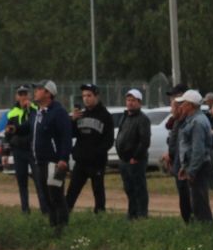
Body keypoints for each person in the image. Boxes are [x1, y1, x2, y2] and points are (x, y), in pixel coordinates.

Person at [30, 80, 74, 229]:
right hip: (40, 162)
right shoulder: (39, 112)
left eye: (39, 89)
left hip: (54, 163)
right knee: (47, 198)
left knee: (56, 196)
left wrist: (63, 159)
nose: (35, 92)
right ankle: (53, 226)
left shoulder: (58, 112)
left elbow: (65, 137)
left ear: (48, 93)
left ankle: (62, 228)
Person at [65, 84, 113, 215]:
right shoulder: (81, 114)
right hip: (81, 161)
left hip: (96, 162)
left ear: (96, 96)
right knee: (72, 191)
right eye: (84, 96)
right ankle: (63, 217)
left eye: (89, 95)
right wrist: (72, 121)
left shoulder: (105, 116)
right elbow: (71, 134)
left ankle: (100, 216)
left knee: (98, 191)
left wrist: (96, 153)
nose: (86, 99)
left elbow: (108, 140)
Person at [168, 89, 213, 224]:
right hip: (193, 166)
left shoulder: (197, 122)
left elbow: (198, 150)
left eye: (183, 103)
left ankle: (205, 230)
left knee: (200, 203)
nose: (180, 106)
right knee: (196, 201)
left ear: (191, 105)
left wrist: (192, 171)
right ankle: (202, 228)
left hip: (199, 167)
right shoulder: (192, 120)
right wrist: (184, 167)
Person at [114, 88, 152, 219]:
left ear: (139, 102)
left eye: (133, 100)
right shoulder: (125, 117)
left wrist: (136, 157)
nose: (130, 103)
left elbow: (144, 141)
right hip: (124, 160)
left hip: (135, 161)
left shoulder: (142, 119)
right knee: (129, 188)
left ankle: (142, 214)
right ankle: (132, 213)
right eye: (128, 100)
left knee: (139, 188)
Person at [3, 85, 37, 214]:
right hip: (18, 150)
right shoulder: (12, 112)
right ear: (16, 96)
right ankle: (25, 210)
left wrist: (28, 110)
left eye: (25, 94)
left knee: (39, 181)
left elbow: (33, 127)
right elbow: (8, 133)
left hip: (33, 150)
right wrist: (6, 152)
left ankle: (45, 210)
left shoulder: (35, 109)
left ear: (29, 95)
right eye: (20, 94)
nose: (23, 97)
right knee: (22, 182)